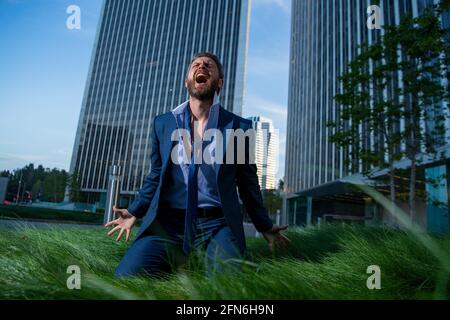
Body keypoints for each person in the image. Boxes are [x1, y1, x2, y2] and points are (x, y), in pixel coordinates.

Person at [105, 52, 290, 277]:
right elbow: (156, 175)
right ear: (187, 80)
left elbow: (248, 184)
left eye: (209, 66)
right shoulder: (162, 123)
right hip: (168, 223)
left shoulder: (239, 128)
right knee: (126, 277)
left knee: (226, 286)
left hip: (218, 224)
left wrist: (264, 225)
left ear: (219, 83)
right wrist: (135, 211)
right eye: (196, 65)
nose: (201, 66)